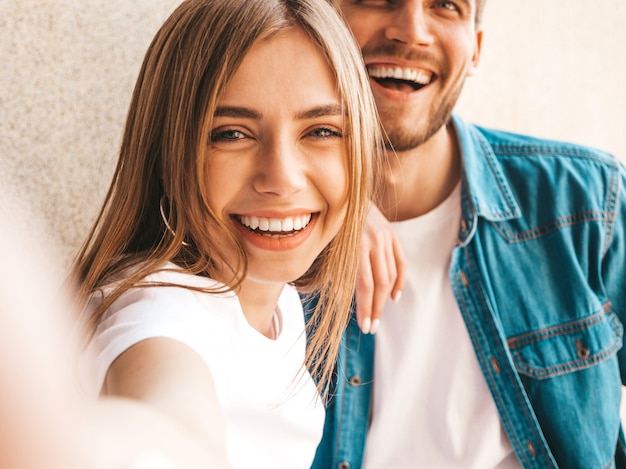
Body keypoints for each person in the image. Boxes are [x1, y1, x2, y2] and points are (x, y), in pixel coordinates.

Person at [311, 1, 626, 468]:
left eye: (446, 5)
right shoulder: (268, 230)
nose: (411, 31)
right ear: (319, 24)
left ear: (475, 49)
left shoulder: (586, 201)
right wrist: (333, 204)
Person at [69, 0, 382, 468]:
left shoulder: (280, 303)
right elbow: (171, 416)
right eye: (231, 134)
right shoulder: (158, 309)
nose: (282, 178)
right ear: (168, 151)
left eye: (320, 131)